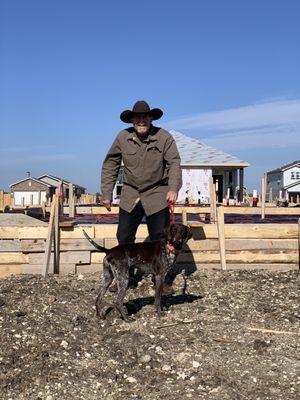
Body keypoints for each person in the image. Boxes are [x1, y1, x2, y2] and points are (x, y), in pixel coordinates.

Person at [101, 100, 182, 293]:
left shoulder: (164, 137)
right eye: (138, 117)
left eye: (145, 117)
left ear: (151, 118)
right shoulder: (123, 137)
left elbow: (174, 163)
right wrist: (106, 193)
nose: (142, 120)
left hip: (156, 193)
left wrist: (173, 188)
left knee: (160, 239)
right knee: (124, 236)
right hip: (131, 194)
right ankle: (125, 278)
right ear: (132, 120)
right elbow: (110, 164)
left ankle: (160, 282)